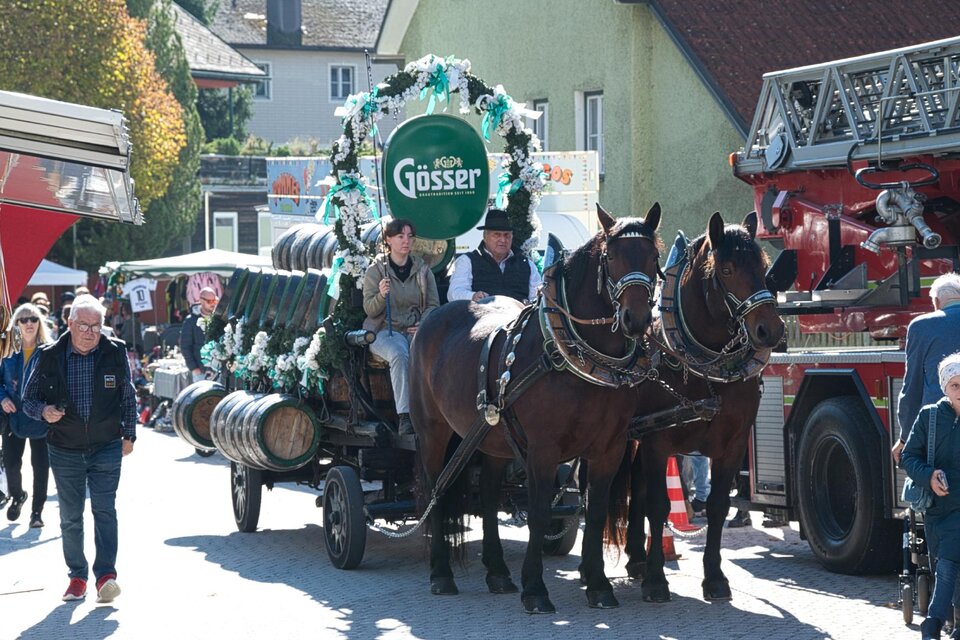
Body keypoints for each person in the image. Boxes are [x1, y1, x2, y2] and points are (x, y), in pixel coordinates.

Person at [22, 294, 137, 603]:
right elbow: (28, 398)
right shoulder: (49, 355)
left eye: (96, 326)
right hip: (64, 447)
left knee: (104, 510)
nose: (90, 332)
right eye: (84, 325)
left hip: (107, 445)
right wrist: (43, 412)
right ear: (69, 323)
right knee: (71, 516)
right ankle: (77, 577)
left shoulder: (115, 352)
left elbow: (129, 395)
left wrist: (130, 434)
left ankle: (106, 576)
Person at [901, 353, 960, 639]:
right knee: (949, 559)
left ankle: (933, 622)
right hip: (940, 509)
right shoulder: (930, 417)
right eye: (955, 385)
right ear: (944, 388)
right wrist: (929, 476)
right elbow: (908, 457)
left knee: (950, 560)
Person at [362, 218, 439, 435]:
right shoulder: (376, 271)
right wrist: (381, 295)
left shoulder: (423, 270)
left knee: (427, 352)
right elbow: (370, 309)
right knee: (399, 354)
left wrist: (423, 323)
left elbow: (433, 305)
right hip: (384, 331)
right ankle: (406, 416)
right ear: (388, 240)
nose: (406, 241)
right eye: (400, 236)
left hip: (414, 329)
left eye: (410, 236)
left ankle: (433, 410)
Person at [894, 273, 960, 464]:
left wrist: (906, 437)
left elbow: (912, 387)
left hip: (939, 427)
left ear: (936, 301)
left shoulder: (922, 326)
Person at [1, 303, 53, 528]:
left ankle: (36, 512)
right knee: (12, 464)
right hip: (14, 415)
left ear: (39, 322)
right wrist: (2, 397)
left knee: (41, 466)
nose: (29, 323)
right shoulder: (7, 351)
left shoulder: (49, 351)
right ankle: (17, 494)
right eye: (24, 320)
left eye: (33, 319)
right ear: (17, 324)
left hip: (41, 416)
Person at [447, 208, 542, 304]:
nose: (503, 240)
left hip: (519, 317)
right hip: (482, 316)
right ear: (485, 237)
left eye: (507, 235)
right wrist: (472, 296)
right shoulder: (467, 261)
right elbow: (454, 293)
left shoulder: (526, 264)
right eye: (497, 235)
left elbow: (538, 297)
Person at [180, 287, 218, 383]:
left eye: (215, 300)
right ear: (201, 300)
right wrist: (193, 368)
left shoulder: (218, 318)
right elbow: (185, 346)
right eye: (209, 301)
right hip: (200, 371)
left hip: (218, 370)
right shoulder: (191, 321)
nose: (213, 304)